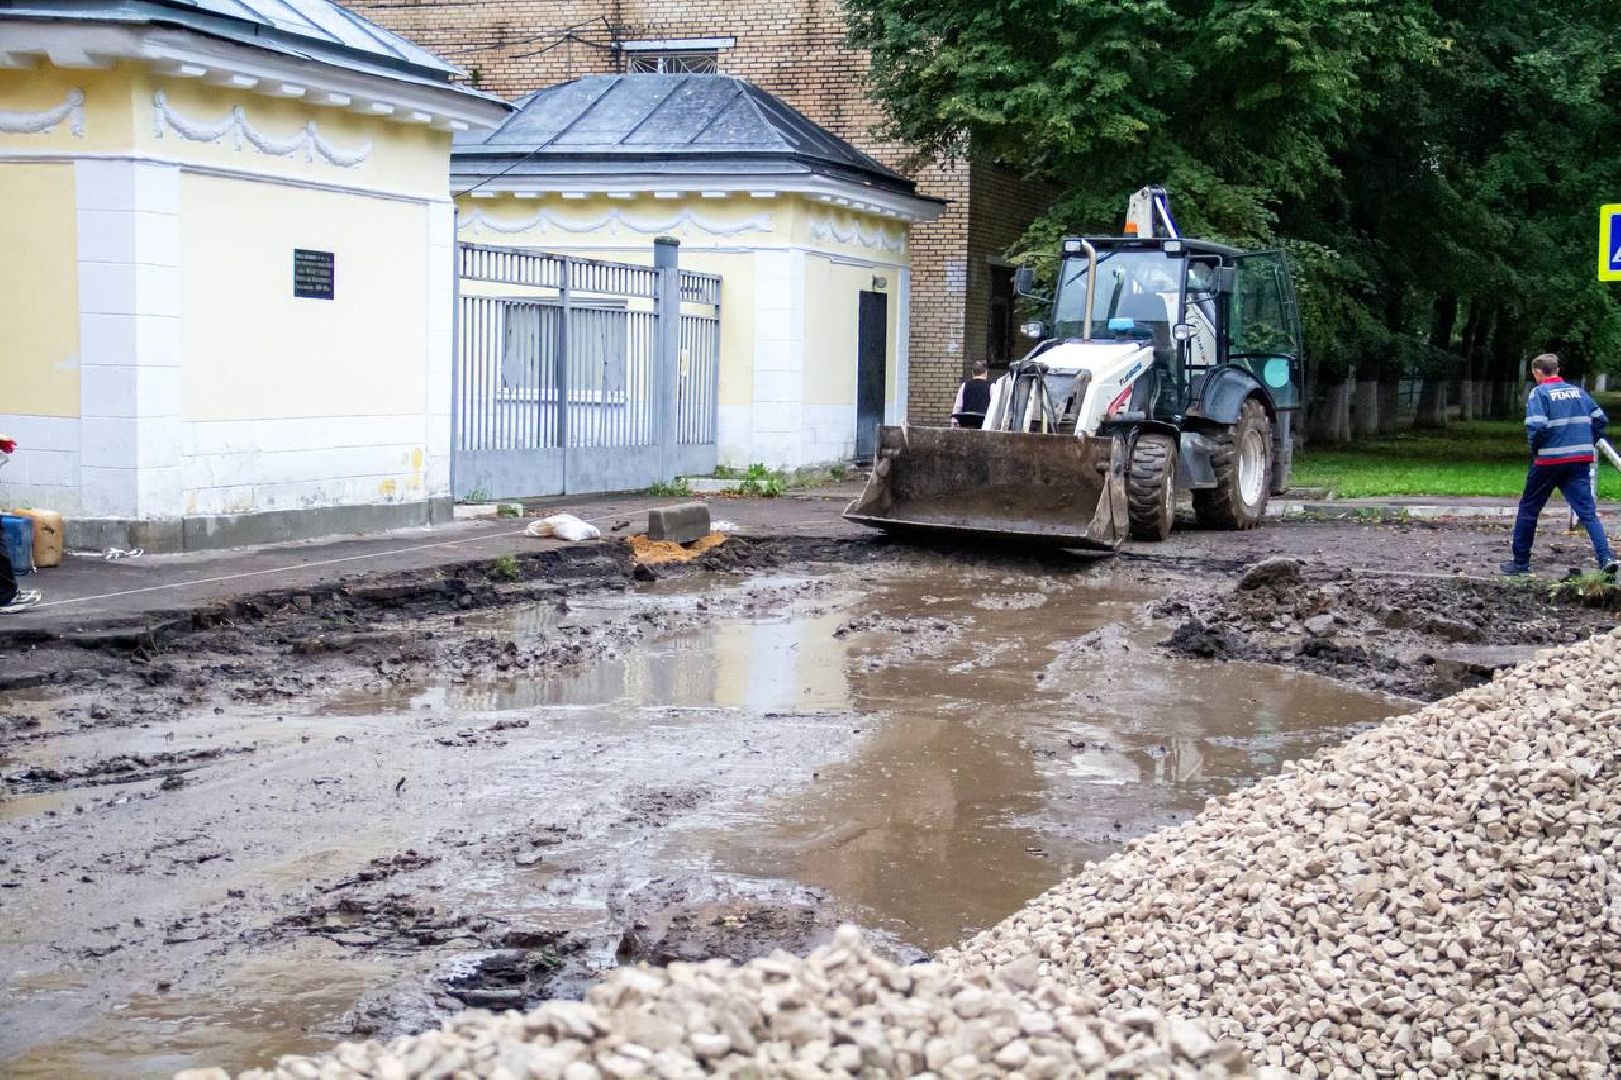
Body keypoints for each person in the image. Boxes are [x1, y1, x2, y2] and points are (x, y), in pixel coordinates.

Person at [1500, 354, 1618, 577]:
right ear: (1557, 369)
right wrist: (1587, 440)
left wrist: (1536, 450)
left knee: (1529, 509)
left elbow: (1536, 427)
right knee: (1588, 513)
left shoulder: (1539, 393)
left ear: (1537, 372)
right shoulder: (1578, 392)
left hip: (1548, 461)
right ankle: (1605, 558)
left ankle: (1520, 563)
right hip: (1579, 461)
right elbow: (1600, 419)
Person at [952, 361, 991, 429]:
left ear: (972, 373)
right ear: (985, 372)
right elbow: (994, 408)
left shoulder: (964, 386)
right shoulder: (991, 386)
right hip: (984, 426)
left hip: (966, 426)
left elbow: (958, 407)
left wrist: (954, 425)